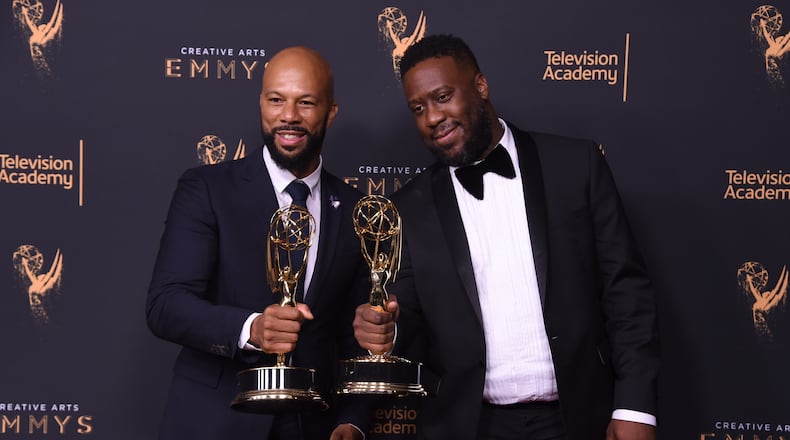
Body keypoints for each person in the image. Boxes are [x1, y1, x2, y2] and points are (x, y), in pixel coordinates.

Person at [353, 34, 660, 440]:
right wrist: (386, 330)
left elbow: (626, 292)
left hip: (581, 417)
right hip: (470, 426)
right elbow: (408, 320)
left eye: (443, 96)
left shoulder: (575, 167)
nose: (432, 117)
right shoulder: (408, 208)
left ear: (480, 86)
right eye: (418, 108)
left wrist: (635, 406)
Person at [146, 46, 369, 440]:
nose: (289, 116)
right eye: (276, 100)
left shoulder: (353, 208)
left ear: (331, 112)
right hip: (216, 423)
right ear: (261, 104)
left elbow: (355, 335)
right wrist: (252, 328)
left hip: (313, 425)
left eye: (306, 102)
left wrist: (352, 419)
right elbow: (166, 305)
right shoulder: (207, 189)